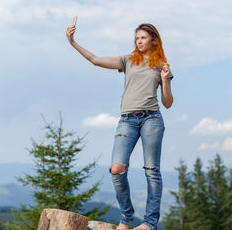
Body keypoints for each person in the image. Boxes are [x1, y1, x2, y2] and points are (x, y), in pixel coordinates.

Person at [66, 19, 173, 230]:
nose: (139, 41)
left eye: (143, 37)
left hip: (152, 119)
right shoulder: (127, 60)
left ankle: (149, 223)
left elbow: (167, 103)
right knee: (117, 169)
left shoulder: (161, 65)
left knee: (152, 170)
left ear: (153, 40)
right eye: (137, 38)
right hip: (127, 120)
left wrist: (166, 80)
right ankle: (126, 217)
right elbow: (95, 60)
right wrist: (72, 42)